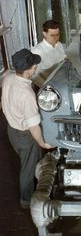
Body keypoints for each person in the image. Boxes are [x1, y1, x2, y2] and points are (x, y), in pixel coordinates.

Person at [1, 48, 54, 209]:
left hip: (11, 130)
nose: (36, 67)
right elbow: (33, 127)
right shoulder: (26, 95)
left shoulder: (8, 78)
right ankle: (26, 201)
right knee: (28, 168)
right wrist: (43, 143)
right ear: (29, 69)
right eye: (34, 66)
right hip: (25, 136)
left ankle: (32, 192)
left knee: (27, 162)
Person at [31, 20, 67, 87]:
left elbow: (64, 61)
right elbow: (34, 76)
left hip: (61, 82)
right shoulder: (37, 51)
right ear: (44, 34)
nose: (55, 38)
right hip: (46, 87)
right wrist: (47, 87)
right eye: (52, 35)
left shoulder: (59, 45)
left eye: (57, 34)